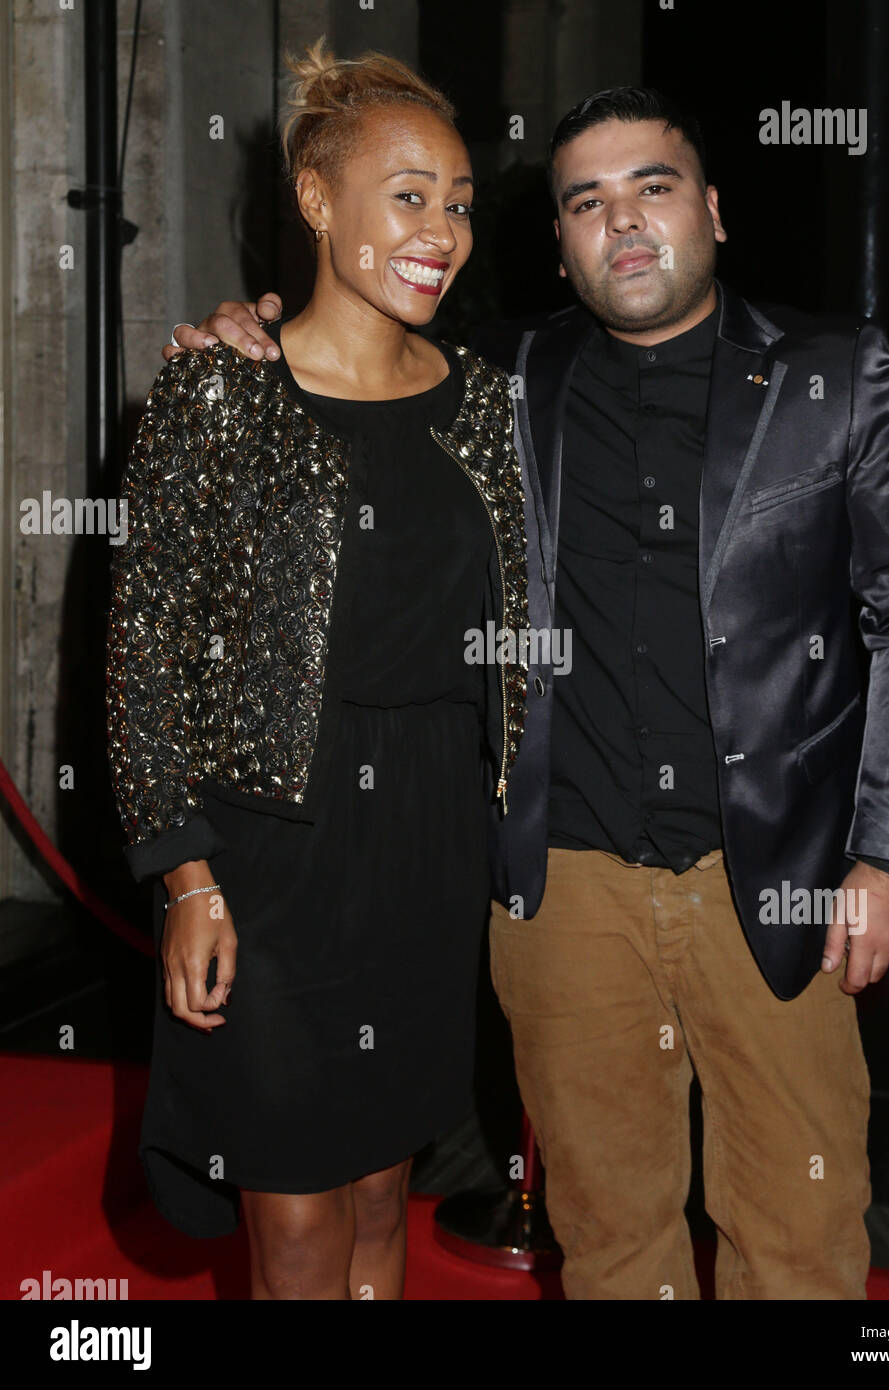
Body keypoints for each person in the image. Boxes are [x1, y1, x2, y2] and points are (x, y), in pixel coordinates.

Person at [172, 87, 889, 1300]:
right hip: (562, 889)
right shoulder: (497, 377)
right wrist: (250, 332)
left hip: (778, 880)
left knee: (798, 1243)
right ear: (559, 243)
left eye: (653, 186)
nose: (624, 221)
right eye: (587, 202)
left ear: (712, 210)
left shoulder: (835, 373)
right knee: (608, 1243)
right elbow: (353, 357)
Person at [107, 41, 528, 1300]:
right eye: (407, 196)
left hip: (429, 843)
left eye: (457, 202)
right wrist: (185, 875)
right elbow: (141, 653)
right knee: (291, 1217)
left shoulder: (486, 403)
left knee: (381, 1195)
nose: (440, 231)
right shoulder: (219, 392)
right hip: (269, 850)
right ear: (315, 200)